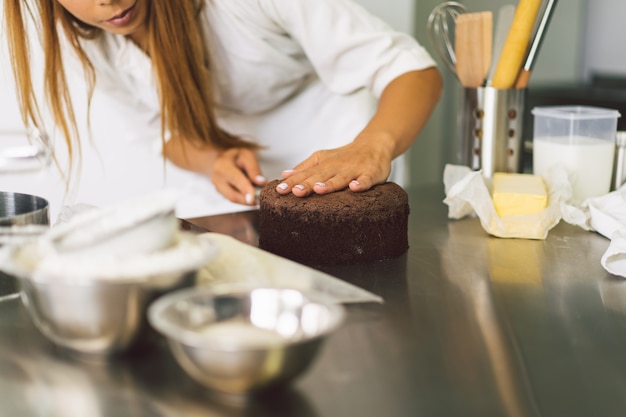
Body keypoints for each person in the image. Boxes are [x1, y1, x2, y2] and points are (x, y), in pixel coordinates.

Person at [3, 0, 442, 217]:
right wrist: (212, 158)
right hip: (233, 200)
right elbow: (165, 134)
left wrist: (371, 147)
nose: (108, 1)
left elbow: (413, 71)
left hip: (339, 165)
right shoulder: (86, 34)